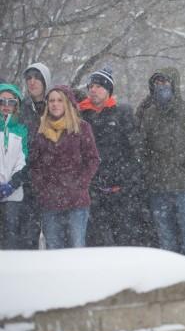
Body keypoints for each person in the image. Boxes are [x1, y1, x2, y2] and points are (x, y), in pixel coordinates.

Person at [135, 68, 185, 258]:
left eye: (165, 83)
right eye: (157, 84)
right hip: (158, 187)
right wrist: (151, 171)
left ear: (174, 84)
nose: (161, 88)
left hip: (184, 187)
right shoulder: (149, 114)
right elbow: (143, 146)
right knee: (166, 240)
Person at [79, 67, 142, 247]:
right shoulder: (82, 115)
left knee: (124, 239)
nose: (93, 90)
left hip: (121, 189)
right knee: (97, 241)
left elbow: (135, 150)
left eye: (98, 86)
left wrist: (128, 181)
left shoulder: (122, 112)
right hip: (92, 188)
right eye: (90, 86)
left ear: (108, 91)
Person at [29, 85, 99, 248]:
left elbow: (93, 159)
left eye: (60, 100)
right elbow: (34, 164)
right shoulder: (40, 129)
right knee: (54, 247)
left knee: (77, 247)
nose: (55, 104)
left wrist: (80, 183)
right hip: (50, 201)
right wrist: (43, 187)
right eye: (52, 100)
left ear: (67, 103)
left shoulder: (82, 127)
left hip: (77, 200)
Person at [17, 62, 51, 251]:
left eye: (37, 77)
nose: (32, 82)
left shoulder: (56, 105)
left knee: (55, 235)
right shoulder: (20, 109)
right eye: (29, 78)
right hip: (26, 181)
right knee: (28, 234)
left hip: (53, 181)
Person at [0, 83, 29, 249]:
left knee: (11, 238)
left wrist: (12, 184)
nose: (6, 106)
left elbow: (24, 160)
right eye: (2, 101)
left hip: (13, 194)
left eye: (11, 102)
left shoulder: (22, 129)